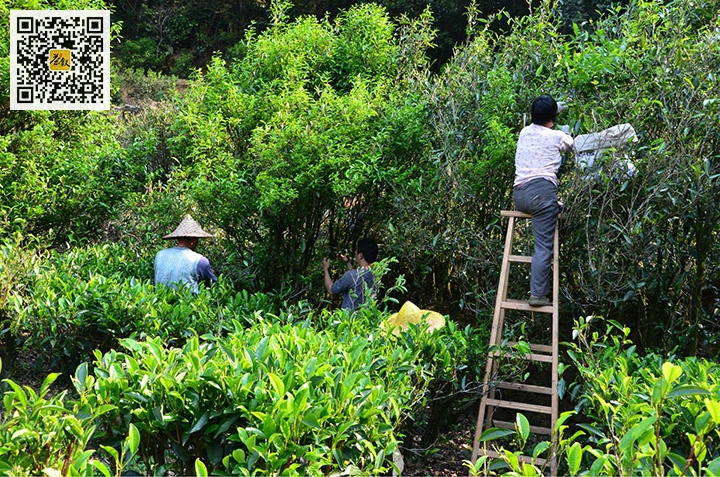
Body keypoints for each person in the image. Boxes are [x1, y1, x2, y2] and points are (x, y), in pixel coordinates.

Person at [513, 95, 573, 306]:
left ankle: (540, 290)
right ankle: (537, 294)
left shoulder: (524, 132)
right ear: (553, 118)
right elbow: (570, 145)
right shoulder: (558, 136)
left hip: (519, 195)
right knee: (543, 247)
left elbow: (544, 124)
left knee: (549, 211)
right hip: (541, 195)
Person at [154, 214, 218, 294]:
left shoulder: (159, 255)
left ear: (177, 238)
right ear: (193, 241)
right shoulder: (200, 261)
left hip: (160, 303)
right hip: (187, 305)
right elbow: (212, 284)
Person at [322, 238, 378, 311]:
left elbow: (331, 290)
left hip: (348, 320)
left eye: (356, 251)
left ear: (360, 255)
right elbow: (355, 280)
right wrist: (347, 263)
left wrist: (325, 269)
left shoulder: (351, 275)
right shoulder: (375, 276)